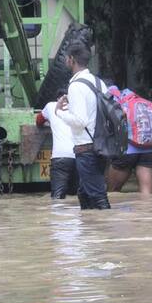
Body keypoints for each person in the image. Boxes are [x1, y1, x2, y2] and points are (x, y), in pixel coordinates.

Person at [55, 41, 111, 210]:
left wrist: (60, 112)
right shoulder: (99, 82)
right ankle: (90, 231)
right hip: (102, 145)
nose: (65, 61)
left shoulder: (76, 85)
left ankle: (108, 231)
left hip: (86, 149)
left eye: (66, 58)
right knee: (84, 194)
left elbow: (80, 121)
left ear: (71, 59)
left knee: (98, 196)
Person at [107, 87, 152, 195]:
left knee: (112, 194)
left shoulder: (113, 98)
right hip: (147, 150)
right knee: (146, 195)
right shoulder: (141, 102)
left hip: (126, 151)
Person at [37, 88, 78, 199]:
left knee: (57, 197)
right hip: (80, 156)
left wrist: (50, 121)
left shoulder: (51, 106)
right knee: (77, 196)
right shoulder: (78, 108)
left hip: (60, 158)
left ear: (57, 99)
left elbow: (38, 120)